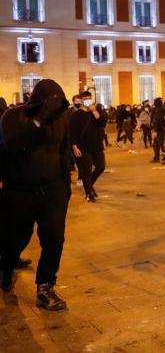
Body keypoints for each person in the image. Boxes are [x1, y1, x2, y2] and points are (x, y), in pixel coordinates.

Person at [0, 79, 71, 310]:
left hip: (52, 191)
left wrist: (65, 184)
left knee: (54, 238)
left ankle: (45, 287)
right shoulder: (13, 117)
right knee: (17, 238)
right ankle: (6, 266)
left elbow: (63, 149)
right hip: (19, 192)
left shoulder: (61, 119)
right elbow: (13, 144)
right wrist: (40, 120)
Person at [69, 91, 108, 202]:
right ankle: (88, 193)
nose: (87, 100)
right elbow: (72, 132)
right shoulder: (75, 115)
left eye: (89, 98)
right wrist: (74, 147)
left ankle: (89, 186)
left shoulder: (97, 111)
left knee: (101, 167)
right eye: (85, 98)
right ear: (81, 100)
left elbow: (102, 123)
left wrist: (94, 111)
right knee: (86, 170)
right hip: (83, 147)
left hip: (97, 145)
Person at [151, 98, 165, 163]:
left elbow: (160, 120)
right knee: (156, 144)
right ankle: (156, 157)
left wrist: (155, 130)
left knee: (162, 144)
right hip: (159, 130)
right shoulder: (157, 110)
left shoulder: (160, 110)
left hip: (161, 130)